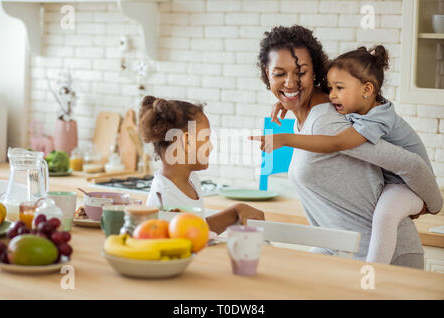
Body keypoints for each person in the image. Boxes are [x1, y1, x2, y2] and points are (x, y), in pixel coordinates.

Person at [250, 25, 442, 269]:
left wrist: (431, 205)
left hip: (387, 260)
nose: (290, 82)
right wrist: (287, 102)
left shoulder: (326, 122)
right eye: (279, 73)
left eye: (301, 73)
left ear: (315, 72)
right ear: (267, 73)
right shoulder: (307, 117)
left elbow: (410, 163)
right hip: (345, 253)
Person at [138, 95, 265, 236]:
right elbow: (192, 239)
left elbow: (198, 227)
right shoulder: (165, 201)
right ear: (187, 142)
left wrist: (236, 211)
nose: (210, 147)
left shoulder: (191, 180)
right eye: (206, 138)